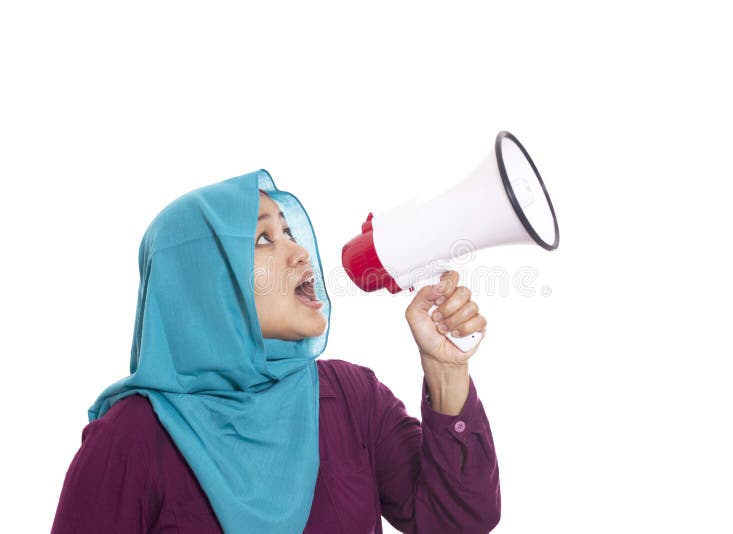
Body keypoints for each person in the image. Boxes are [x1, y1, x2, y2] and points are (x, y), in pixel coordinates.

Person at [50, 169, 501, 533]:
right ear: (207, 283)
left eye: (289, 232)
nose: (301, 252)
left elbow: (458, 521)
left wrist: (446, 371)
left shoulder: (350, 398)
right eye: (264, 239)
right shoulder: (130, 439)